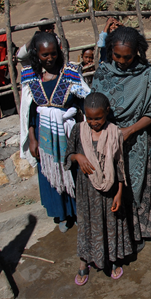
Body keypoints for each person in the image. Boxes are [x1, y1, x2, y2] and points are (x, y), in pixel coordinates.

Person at [91, 26, 151, 252]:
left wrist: (129, 131)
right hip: (108, 138)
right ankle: (116, 234)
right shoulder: (102, 72)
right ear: (110, 50)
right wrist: (110, 134)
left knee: (134, 184)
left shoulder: (145, 74)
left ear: (137, 53)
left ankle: (137, 232)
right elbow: (93, 107)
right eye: (117, 55)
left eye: (128, 57)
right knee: (112, 186)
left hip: (136, 140)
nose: (121, 61)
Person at [20, 31, 90, 232]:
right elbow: (29, 113)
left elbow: (83, 104)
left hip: (69, 133)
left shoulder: (70, 73)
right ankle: (60, 214)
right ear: (36, 54)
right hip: (45, 137)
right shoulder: (31, 77)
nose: (49, 58)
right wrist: (32, 139)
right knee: (50, 174)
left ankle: (77, 212)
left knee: (73, 171)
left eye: (53, 54)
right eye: (44, 55)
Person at [64, 92, 130, 285]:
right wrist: (78, 157)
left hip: (109, 191)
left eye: (98, 118)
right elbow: (67, 157)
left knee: (110, 225)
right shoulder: (78, 130)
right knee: (87, 225)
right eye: (89, 118)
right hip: (86, 191)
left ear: (107, 112)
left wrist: (119, 193)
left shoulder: (114, 132)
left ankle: (112, 259)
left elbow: (119, 165)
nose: (93, 122)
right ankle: (84, 262)